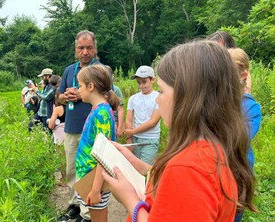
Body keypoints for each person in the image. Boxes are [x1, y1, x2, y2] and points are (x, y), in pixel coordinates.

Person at [103, 41, 256, 221]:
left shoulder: (187, 169)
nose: (157, 100)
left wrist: (130, 201)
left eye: (161, 91)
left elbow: (185, 178)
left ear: (188, 97)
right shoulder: (211, 148)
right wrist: (141, 166)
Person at [58, 30, 101, 222]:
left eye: (89, 48)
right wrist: (66, 97)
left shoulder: (100, 70)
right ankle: (74, 206)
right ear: (75, 49)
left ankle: (87, 212)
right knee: (72, 171)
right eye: (81, 48)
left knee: (88, 171)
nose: (85, 52)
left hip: (92, 130)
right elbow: (58, 98)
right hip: (71, 128)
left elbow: (107, 96)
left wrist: (81, 96)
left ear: (95, 49)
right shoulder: (69, 70)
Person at [75, 64, 120, 222]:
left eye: (80, 85)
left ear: (90, 86)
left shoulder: (101, 114)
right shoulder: (97, 110)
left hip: (94, 179)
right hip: (88, 176)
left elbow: (104, 153)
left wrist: (95, 190)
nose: (78, 89)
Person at [228, 47, 261, 222]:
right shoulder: (219, 101)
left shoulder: (251, 108)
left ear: (243, 74)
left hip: (238, 174)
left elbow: (238, 139)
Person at [124, 65, 161, 165]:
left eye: (144, 82)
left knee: (145, 168)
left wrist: (132, 131)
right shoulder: (133, 99)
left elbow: (153, 122)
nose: (141, 86)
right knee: (134, 168)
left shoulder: (158, 98)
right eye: (139, 83)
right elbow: (128, 120)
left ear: (152, 80)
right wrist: (129, 140)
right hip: (135, 139)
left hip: (150, 139)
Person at [106, 65, 124, 138]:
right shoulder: (97, 90)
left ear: (112, 76)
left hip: (114, 122)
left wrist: (120, 127)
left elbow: (120, 110)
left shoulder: (116, 90)